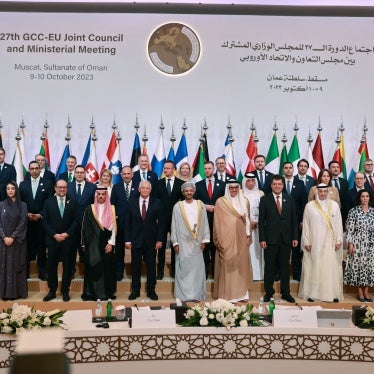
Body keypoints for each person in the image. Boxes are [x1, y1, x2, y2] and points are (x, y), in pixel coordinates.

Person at [299, 183, 344, 302]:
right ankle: (312, 294)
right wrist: (306, 241)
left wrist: (339, 240)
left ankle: (332, 294)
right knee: (314, 266)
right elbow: (306, 225)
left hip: (330, 242)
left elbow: (339, 224)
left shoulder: (334, 205)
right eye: (320, 192)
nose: (323, 194)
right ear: (317, 192)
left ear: (328, 192)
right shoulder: (310, 206)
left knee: (330, 267)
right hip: (315, 242)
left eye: (325, 192)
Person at [259, 174, 298, 303]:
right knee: (269, 267)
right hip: (270, 240)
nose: (277, 186)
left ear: (283, 185)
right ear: (271, 186)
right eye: (274, 184)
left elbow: (294, 219)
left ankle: (285, 293)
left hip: (286, 239)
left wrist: (295, 237)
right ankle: (269, 292)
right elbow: (261, 221)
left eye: (279, 184)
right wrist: (262, 239)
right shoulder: (265, 199)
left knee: (285, 268)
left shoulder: (290, 198)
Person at [213, 179, 252, 302]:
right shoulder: (221, 202)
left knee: (242, 264)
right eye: (231, 187)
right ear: (227, 189)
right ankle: (227, 294)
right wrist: (218, 240)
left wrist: (248, 235)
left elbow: (247, 219)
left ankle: (242, 295)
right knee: (227, 264)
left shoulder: (244, 201)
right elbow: (217, 223)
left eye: (236, 187)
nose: (234, 190)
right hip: (225, 238)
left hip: (241, 237)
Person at [125, 180, 164, 301]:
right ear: (139, 189)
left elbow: (162, 223)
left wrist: (159, 240)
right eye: (143, 188)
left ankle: (151, 291)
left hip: (151, 241)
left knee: (151, 267)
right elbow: (127, 223)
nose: (145, 190)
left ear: (150, 190)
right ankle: (135, 291)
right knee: (135, 267)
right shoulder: (131, 202)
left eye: (147, 188)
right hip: (135, 240)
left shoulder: (157, 202)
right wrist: (127, 240)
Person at [171, 182, 210, 301]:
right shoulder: (178, 206)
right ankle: (183, 295)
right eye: (186, 191)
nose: (189, 193)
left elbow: (205, 222)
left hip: (197, 243)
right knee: (183, 268)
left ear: (194, 191)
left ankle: (197, 295)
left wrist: (204, 239)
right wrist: (175, 242)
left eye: (191, 191)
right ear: (183, 192)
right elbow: (174, 225)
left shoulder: (200, 204)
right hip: (183, 243)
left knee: (197, 269)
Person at [42, 179, 78, 302]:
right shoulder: (48, 202)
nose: (62, 189)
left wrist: (67, 234)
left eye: (64, 187)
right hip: (53, 240)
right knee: (51, 267)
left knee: (67, 267)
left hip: (68, 241)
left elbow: (76, 221)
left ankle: (65, 291)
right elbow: (44, 221)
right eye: (59, 187)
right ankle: (52, 291)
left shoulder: (73, 202)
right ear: (55, 188)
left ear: (67, 188)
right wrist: (54, 235)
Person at [19, 160, 53, 280]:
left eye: (36, 168)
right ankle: (25, 272)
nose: (34, 170)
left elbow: (49, 203)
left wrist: (40, 214)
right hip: (26, 221)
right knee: (27, 247)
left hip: (41, 220)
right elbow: (20, 203)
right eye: (32, 168)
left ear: (40, 169)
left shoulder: (48, 183)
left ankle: (42, 272)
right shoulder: (23, 184)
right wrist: (26, 214)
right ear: (29, 170)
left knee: (41, 247)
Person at [81, 187, 117, 301]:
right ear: (96, 196)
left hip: (107, 244)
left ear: (106, 196)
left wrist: (111, 243)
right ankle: (92, 293)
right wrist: (85, 244)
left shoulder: (112, 208)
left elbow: (114, 228)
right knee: (93, 267)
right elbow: (85, 228)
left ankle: (106, 293)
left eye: (103, 194)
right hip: (93, 245)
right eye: (99, 194)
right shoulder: (89, 209)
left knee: (107, 268)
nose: (101, 196)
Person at [194, 161, 225, 278]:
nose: (207, 170)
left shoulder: (222, 184)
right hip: (204, 221)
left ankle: (216, 273)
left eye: (209, 168)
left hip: (218, 221)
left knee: (216, 247)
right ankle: (205, 272)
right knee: (205, 247)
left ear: (214, 169)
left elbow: (225, 202)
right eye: (205, 169)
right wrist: (205, 206)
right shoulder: (199, 184)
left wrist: (217, 207)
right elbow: (195, 203)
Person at [155, 160, 184, 279]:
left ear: (173, 169)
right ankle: (160, 272)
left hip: (175, 220)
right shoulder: (158, 183)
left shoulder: (181, 183)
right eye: (164, 168)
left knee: (175, 245)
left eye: (168, 168)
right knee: (160, 247)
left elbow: (183, 203)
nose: (165, 170)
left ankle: (174, 270)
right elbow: (155, 202)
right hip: (161, 220)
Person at [344, 189, 374, 302]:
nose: (365, 198)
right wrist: (350, 243)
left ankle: (366, 292)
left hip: (371, 245)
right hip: (357, 243)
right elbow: (349, 229)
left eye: (367, 196)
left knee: (369, 268)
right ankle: (360, 292)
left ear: (369, 198)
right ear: (359, 198)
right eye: (363, 196)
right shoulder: (353, 211)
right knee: (358, 267)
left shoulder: (373, 211)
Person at [0, 182, 28, 300]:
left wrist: (13, 237)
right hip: (3, 242)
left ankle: (16, 293)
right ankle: (4, 293)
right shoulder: (1, 205)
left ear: (16, 190)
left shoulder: (23, 205)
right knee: (4, 266)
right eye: (8, 189)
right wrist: (4, 236)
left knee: (16, 265)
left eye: (12, 188)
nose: (10, 191)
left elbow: (23, 222)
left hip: (17, 241)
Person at [111, 166, 138, 281]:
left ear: (132, 174)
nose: (126, 176)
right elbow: (112, 205)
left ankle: (134, 273)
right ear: (121, 175)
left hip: (135, 224)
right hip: (120, 223)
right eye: (124, 174)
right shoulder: (116, 187)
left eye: (128, 174)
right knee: (119, 250)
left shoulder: (139, 187)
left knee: (135, 250)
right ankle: (119, 272)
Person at [282, 162, 308, 282]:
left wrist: (303, 220)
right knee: (281, 249)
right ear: (283, 170)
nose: (288, 170)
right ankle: (280, 273)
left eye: (290, 168)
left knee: (296, 250)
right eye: (286, 168)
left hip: (296, 222)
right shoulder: (278, 183)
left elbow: (304, 203)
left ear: (293, 169)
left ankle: (297, 273)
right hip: (280, 222)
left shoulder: (300, 183)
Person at [67, 165, 96, 267]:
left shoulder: (92, 187)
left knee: (86, 247)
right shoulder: (67, 186)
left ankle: (86, 270)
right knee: (71, 248)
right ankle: (71, 269)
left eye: (81, 172)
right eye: (77, 172)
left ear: (85, 174)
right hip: (71, 222)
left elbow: (94, 205)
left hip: (87, 222)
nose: (79, 174)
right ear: (74, 174)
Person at [242, 172, 264, 281]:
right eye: (248, 181)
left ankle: (258, 275)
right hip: (244, 227)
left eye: (252, 181)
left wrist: (257, 222)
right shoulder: (240, 193)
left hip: (258, 228)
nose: (250, 183)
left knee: (257, 250)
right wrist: (248, 223)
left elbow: (264, 211)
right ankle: (246, 274)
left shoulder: (260, 193)